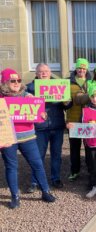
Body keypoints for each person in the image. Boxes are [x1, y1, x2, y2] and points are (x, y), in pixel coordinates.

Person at [0, 68, 55, 209]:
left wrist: (43, 116)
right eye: (13, 81)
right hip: (8, 138)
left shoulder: (28, 96)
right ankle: (15, 196)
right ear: (5, 82)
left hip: (28, 137)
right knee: (11, 167)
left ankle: (45, 191)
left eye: (18, 80)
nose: (17, 83)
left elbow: (38, 118)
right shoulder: (1, 99)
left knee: (37, 164)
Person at [26, 63, 71, 192]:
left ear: (50, 72)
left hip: (56, 126)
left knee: (56, 155)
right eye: (41, 72)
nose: (44, 74)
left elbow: (66, 106)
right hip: (39, 128)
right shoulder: (29, 88)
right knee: (38, 155)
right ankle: (35, 181)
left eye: (46, 71)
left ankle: (55, 178)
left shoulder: (60, 85)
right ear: (36, 73)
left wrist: (67, 101)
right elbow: (25, 108)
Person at [67, 58, 92, 181]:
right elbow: (65, 103)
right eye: (79, 67)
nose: (81, 70)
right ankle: (75, 171)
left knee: (89, 147)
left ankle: (90, 170)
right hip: (74, 119)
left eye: (83, 68)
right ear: (75, 68)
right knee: (74, 148)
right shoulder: (67, 82)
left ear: (86, 69)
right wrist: (65, 103)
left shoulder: (92, 82)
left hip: (89, 120)